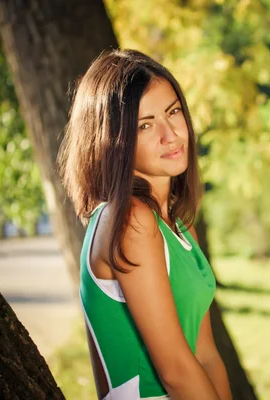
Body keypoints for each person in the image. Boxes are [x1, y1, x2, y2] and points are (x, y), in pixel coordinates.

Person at [57, 49, 231, 400]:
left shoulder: (179, 228)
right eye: (145, 125)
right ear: (112, 140)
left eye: (173, 112)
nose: (170, 135)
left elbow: (206, 355)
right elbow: (176, 372)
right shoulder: (131, 221)